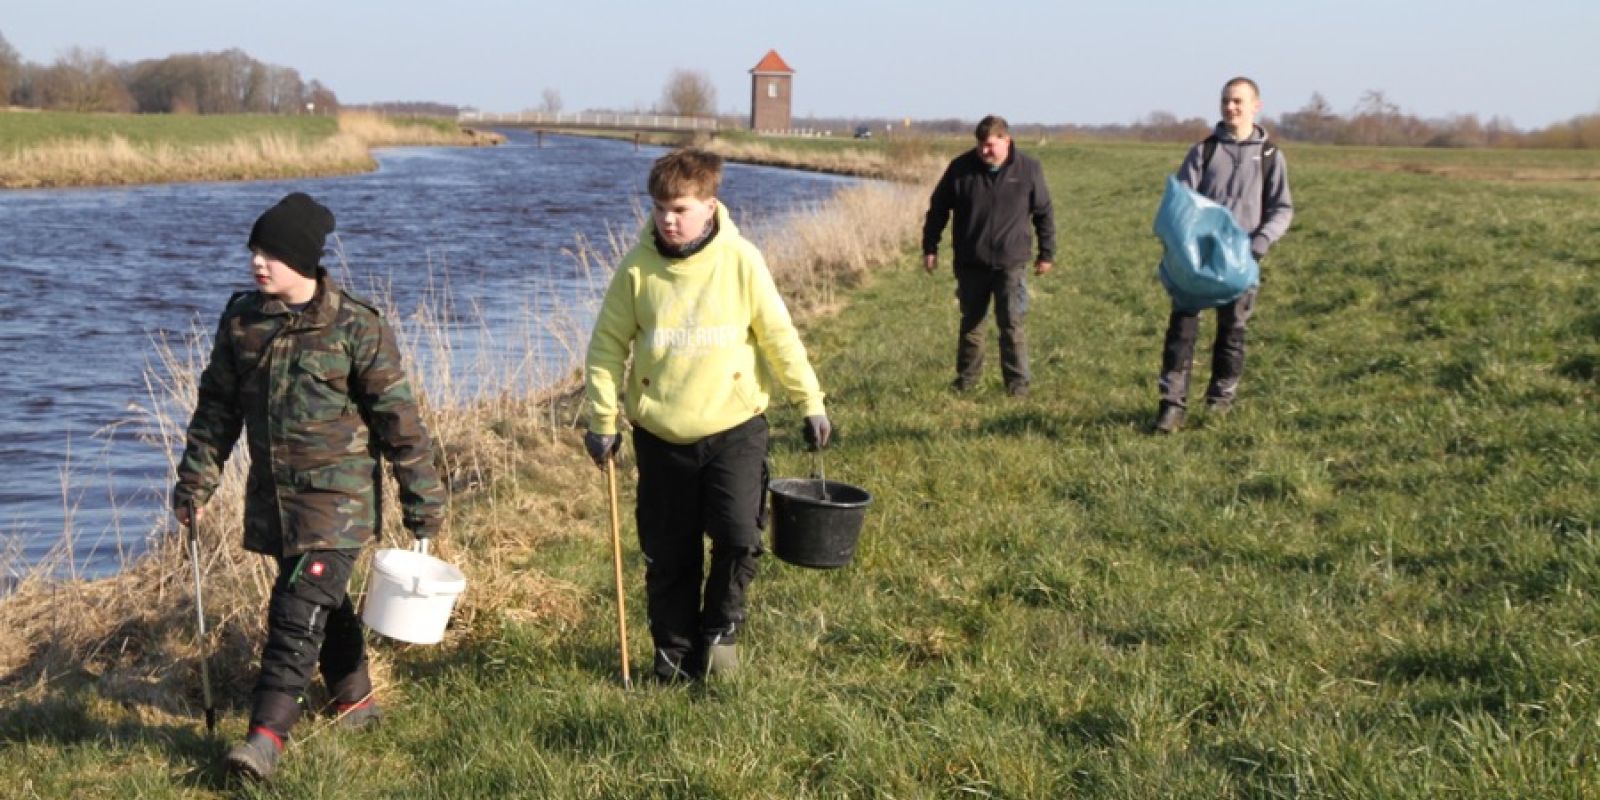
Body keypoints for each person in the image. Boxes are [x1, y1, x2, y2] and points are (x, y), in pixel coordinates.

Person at [173, 192, 446, 780]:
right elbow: (217, 410)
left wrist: (423, 502)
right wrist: (195, 483)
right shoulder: (243, 321)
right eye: (254, 250)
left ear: (301, 258)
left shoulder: (356, 326)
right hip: (276, 503)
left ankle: (264, 740)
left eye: (270, 252)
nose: (257, 262)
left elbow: (400, 422)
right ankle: (357, 703)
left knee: (296, 613)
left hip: (339, 504)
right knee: (323, 603)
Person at [584, 148, 830, 683]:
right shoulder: (637, 268)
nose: (667, 220)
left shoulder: (742, 260)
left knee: (740, 536)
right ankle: (672, 658)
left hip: (735, 428)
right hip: (661, 433)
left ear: (711, 206)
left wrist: (808, 400)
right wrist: (601, 420)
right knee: (669, 553)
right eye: (658, 209)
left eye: (680, 209)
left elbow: (778, 336)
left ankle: (720, 641)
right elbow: (606, 348)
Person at [1154, 77, 1294, 433]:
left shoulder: (1270, 157)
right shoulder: (1203, 152)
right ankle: (1171, 407)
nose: (1230, 107)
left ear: (1255, 106)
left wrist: (1261, 242)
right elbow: (1181, 202)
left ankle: (1219, 405)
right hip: (1197, 262)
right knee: (1181, 331)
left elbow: (1281, 208)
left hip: (1242, 263)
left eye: (1237, 101)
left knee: (1232, 332)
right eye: (1225, 101)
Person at [922, 115, 1056, 397]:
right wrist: (930, 248)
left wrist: (1047, 254)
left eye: (990, 145)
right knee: (971, 325)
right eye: (980, 145)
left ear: (1006, 140)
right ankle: (966, 383)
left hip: (1011, 262)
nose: (984, 151)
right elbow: (938, 209)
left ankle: (1018, 387)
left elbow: (1043, 213)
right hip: (972, 262)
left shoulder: (1028, 169)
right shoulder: (960, 168)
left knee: (1011, 325)